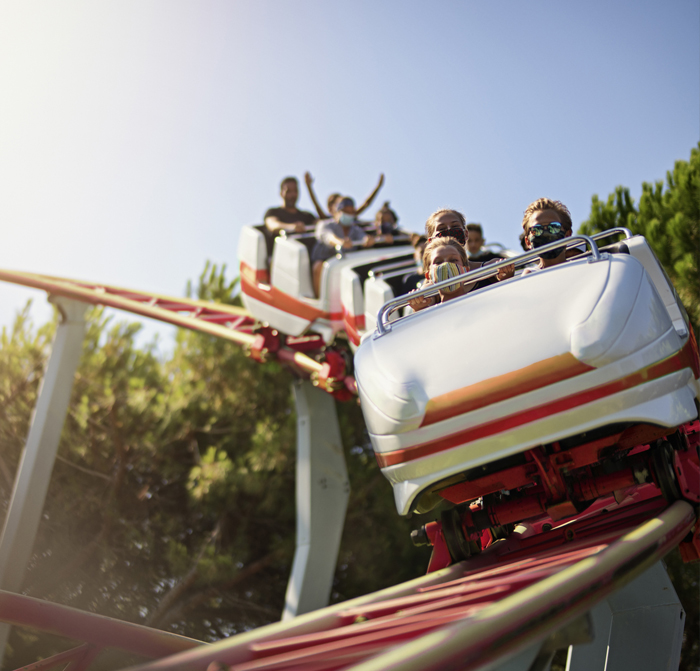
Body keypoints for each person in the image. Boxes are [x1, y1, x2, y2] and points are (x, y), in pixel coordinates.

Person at [409, 208, 513, 311]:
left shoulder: (488, 267)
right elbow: (426, 303)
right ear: (431, 240)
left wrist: (505, 273)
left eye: (455, 226)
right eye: (442, 229)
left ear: (465, 234)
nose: (449, 231)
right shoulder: (431, 283)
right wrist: (419, 305)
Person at [311, 197, 375, 296]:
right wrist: (340, 242)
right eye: (345, 211)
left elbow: (363, 238)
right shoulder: (325, 224)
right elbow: (329, 237)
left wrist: (368, 240)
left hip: (346, 265)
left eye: (351, 212)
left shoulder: (355, 229)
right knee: (318, 266)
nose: (348, 215)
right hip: (327, 263)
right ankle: (319, 298)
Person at [304, 172, 385, 220]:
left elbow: (366, 204)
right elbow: (317, 206)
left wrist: (378, 187)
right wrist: (309, 187)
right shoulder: (328, 221)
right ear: (329, 208)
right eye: (334, 203)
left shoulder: (350, 217)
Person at [521, 198, 573, 273]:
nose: (546, 233)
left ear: (567, 235)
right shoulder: (529, 275)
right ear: (528, 242)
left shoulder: (582, 268)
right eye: (537, 229)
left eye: (554, 227)